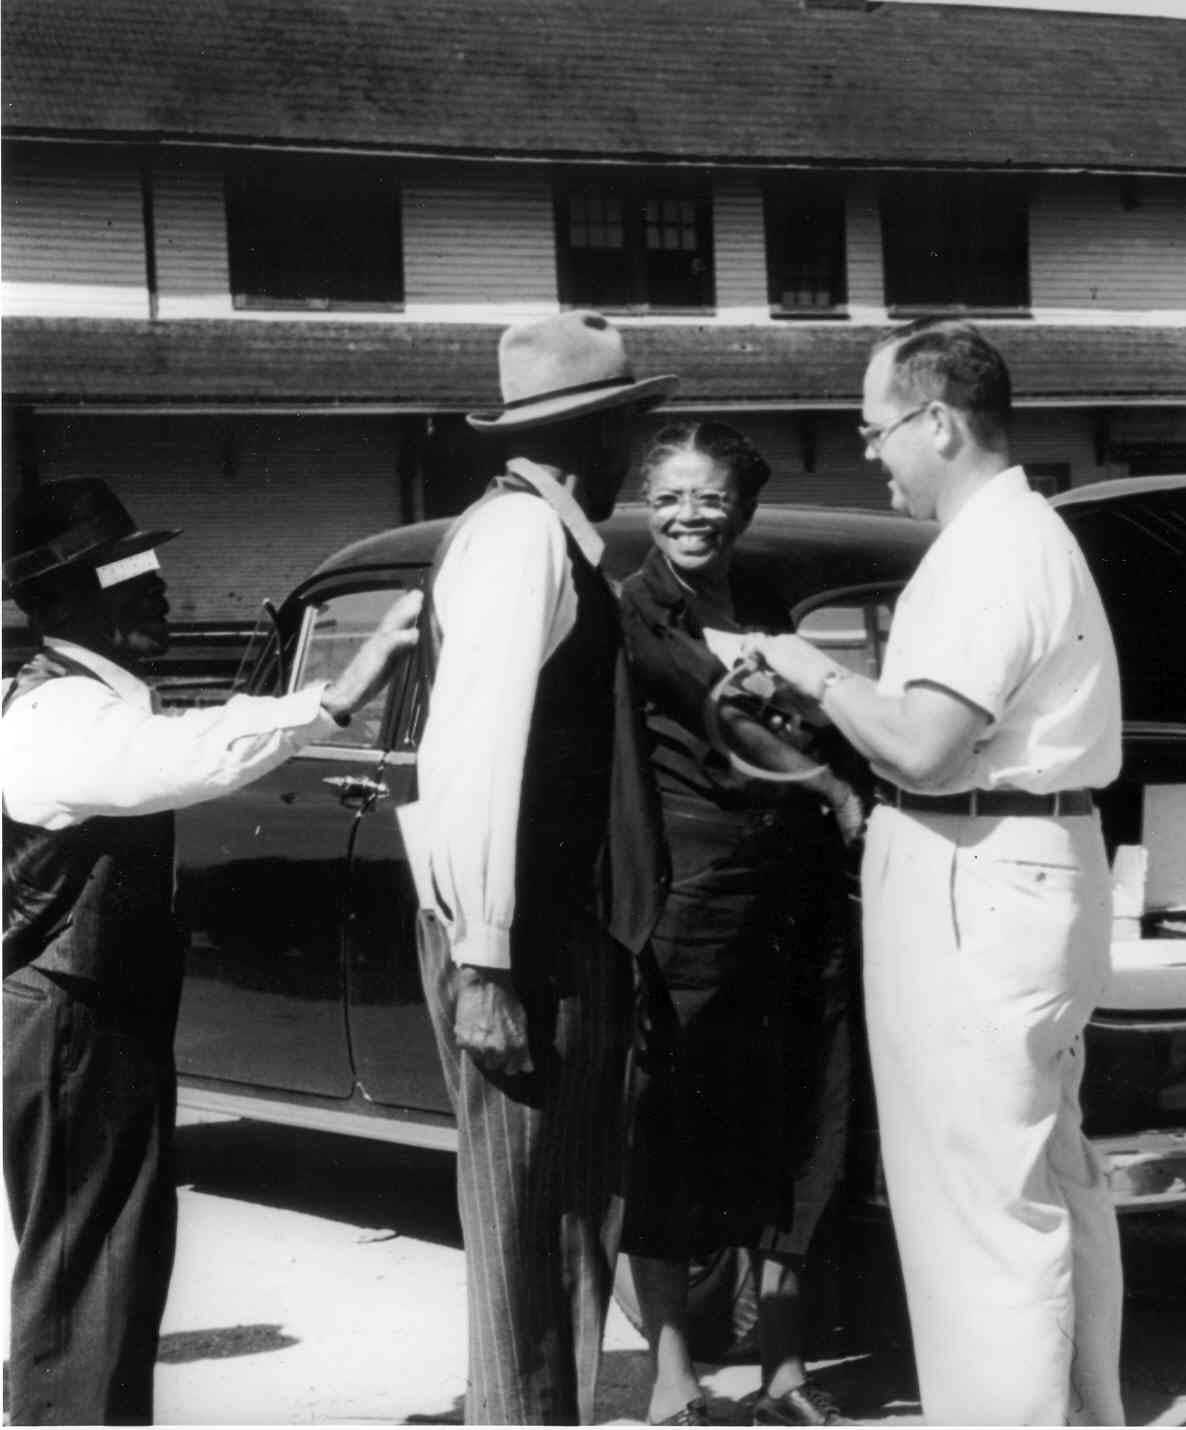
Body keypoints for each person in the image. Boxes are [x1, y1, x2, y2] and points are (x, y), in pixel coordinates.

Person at [752, 318, 1126, 1426]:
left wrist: (809, 670)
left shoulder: (989, 552)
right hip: (1024, 858)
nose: (871, 454)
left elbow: (920, 744)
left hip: (977, 870)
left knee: (974, 1199)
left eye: (876, 431)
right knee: (1047, 1176)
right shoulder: (1019, 537)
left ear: (939, 422)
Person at [2, 478, 419, 1425]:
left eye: (150, 564)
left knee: (113, 1250)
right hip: (74, 1014)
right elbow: (190, 754)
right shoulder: (58, 715)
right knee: (87, 1256)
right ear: (60, 602)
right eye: (122, 570)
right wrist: (340, 695)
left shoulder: (90, 699)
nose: (154, 586)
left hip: (96, 1007)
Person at [398, 310, 674, 1425]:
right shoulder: (519, 540)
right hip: (519, 935)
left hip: (554, 927)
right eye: (631, 433)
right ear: (593, 435)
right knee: (523, 1223)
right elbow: (474, 758)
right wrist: (485, 961)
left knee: (566, 1217)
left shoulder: (550, 538)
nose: (639, 459)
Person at [615, 421, 864, 1427]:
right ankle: (674, 1378)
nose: (690, 515)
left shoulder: (762, 602)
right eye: (670, 496)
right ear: (645, 503)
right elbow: (732, 715)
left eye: (710, 497)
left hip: (793, 899)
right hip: (692, 901)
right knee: (672, 1136)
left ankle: (786, 1367)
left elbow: (810, 703)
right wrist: (835, 785)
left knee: (805, 1120)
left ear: (741, 508)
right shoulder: (633, 611)